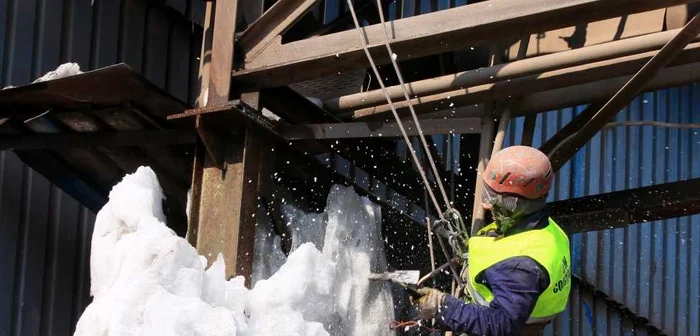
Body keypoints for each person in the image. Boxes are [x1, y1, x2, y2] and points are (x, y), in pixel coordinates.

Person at [414, 146, 571, 336]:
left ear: (512, 204)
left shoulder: (521, 266)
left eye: (491, 198)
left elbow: (500, 324)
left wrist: (443, 306)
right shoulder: (544, 229)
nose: (485, 204)